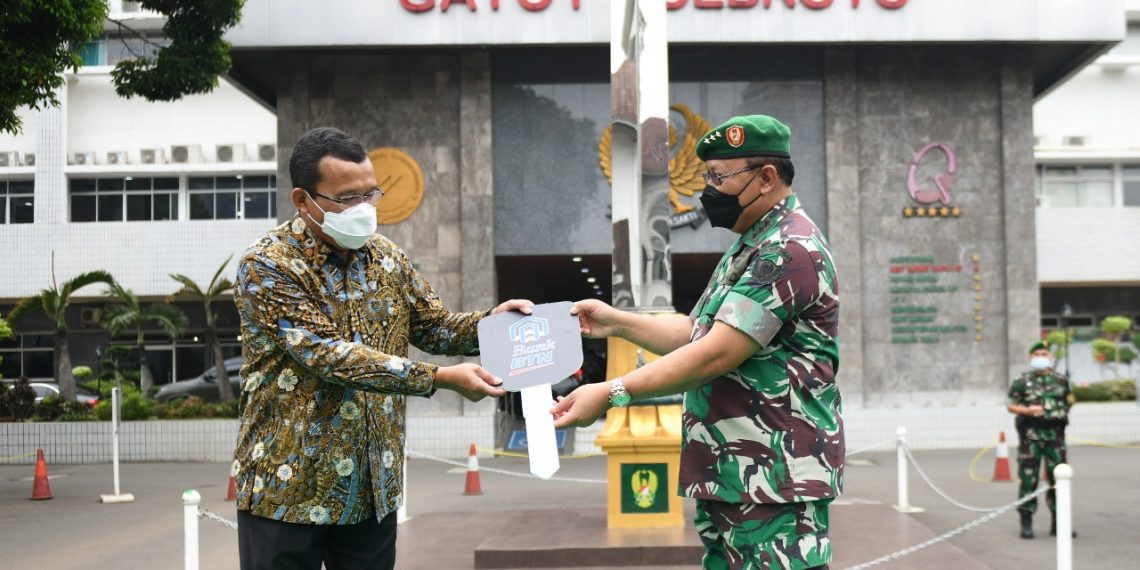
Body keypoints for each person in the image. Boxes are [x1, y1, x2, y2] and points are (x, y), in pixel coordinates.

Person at [231, 127, 530, 569]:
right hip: (286, 489)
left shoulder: (388, 258)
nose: (364, 208)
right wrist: (436, 378)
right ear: (303, 200)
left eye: (371, 194)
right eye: (347, 198)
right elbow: (325, 354)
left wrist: (495, 322)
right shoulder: (268, 264)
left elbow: (436, 328)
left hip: (371, 488)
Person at [554, 115, 843, 570]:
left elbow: (716, 353)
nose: (705, 190)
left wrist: (613, 393)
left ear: (767, 178)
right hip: (736, 476)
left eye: (718, 176)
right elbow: (697, 332)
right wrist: (617, 323)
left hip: (774, 478)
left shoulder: (789, 249)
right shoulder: (751, 243)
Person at [1007, 341, 1076, 540]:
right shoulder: (1022, 380)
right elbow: (1011, 405)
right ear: (1031, 358)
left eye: (1044, 353)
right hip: (1031, 437)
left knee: (1059, 479)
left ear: (1050, 357)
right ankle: (1026, 522)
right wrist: (1027, 410)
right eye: (1036, 353)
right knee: (1029, 478)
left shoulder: (1061, 381)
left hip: (1055, 438)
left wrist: (1057, 414)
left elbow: (1069, 402)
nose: (1040, 357)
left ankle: (1059, 522)